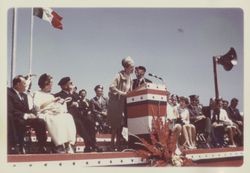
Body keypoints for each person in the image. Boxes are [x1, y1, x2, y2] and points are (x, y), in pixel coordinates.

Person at [33, 74, 76, 153]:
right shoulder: (37, 93)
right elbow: (37, 107)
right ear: (46, 83)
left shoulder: (51, 95)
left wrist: (60, 103)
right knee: (56, 119)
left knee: (68, 117)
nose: (52, 84)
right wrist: (52, 101)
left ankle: (68, 144)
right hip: (45, 113)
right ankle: (58, 145)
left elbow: (56, 106)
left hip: (55, 112)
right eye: (51, 82)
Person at [54, 77, 99, 152]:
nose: (72, 85)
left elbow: (84, 104)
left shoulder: (76, 95)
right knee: (79, 124)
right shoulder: (59, 95)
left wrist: (77, 103)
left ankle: (90, 146)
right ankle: (91, 145)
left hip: (79, 115)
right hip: (68, 117)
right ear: (64, 86)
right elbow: (61, 106)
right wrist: (71, 103)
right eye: (70, 84)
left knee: (90, 123)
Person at [8, 75, 47, 154]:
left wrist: (32, 114)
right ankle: (20, 146)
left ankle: (41, 146)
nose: (26, 86)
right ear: (18, 84)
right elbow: (10, 109)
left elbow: (26, 109)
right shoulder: (8, 93)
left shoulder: (24, 95)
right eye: (24, 83)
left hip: (25, 117)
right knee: (20, 122)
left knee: (40, 121)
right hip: (15, 118)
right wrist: (25, 115)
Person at [108, 56, 134, 151]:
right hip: (116, 104)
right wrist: (123, 93)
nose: (133, 69)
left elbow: (130, 91)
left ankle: (118, 145)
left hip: (124, 104)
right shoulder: (118, 75)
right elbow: (111, 87)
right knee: (115, 125)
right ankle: (112, 145)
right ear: (126, 67)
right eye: (131, 67)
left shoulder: (130, 77)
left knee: (121, 125)